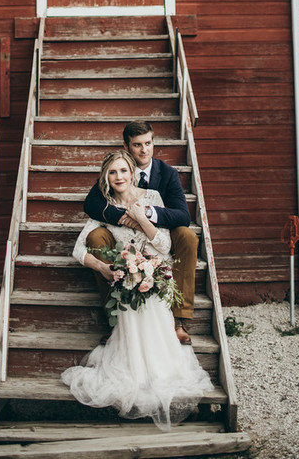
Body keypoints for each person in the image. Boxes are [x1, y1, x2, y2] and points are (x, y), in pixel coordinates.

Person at [61, 150, 213, 430]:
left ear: (133, 172)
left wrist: (142, 218)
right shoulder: (104, 207)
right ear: (106, 178)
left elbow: (166, 247)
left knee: (159, 342)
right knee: (128, 312)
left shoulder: (152, 197)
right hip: (126, 280)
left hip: (154, 273)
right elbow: (78, 249)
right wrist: (103, 268)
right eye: (113, 172)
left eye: (123, 171)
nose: (119, 177)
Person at [83, 120, 198, 344]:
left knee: (188, 236)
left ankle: (179, 320)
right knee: (95, 236)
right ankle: (115, 319)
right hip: (123, 236)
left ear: (154, 143)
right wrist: (124, 218)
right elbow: (91, 205)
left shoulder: (167, 173)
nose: (144, 150)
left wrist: (148, 214)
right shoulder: (118, 170)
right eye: (137, 145)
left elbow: (183, 215)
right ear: (127, 146)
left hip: (158, 233)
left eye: (148, 143)